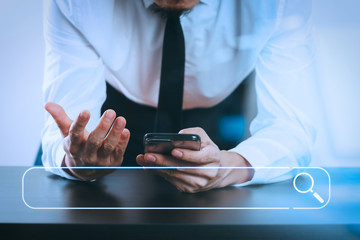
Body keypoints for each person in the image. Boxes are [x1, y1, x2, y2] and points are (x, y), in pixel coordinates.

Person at [42, 0, 316, 193]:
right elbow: (65, 128)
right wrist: (75, 161)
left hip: (218, 142)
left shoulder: (279, 4)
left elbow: (292, 127)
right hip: (112, 132)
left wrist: (229, 166)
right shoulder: (77, 3)